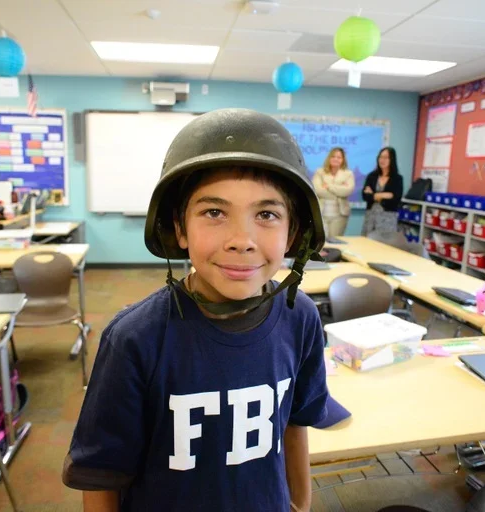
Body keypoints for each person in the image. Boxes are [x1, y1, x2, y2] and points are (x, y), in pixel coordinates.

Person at [63, 108, 329, 512]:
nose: (242, 240)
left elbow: (294, 423)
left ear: (292, 233)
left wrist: (300, 504)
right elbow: (102, 475)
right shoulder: (135, 338)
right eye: (215, 213)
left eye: (267, 214)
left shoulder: (301, 317)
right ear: (180, 229)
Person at [312, 147, 355, 237]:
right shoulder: (320, 172)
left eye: (339, 157)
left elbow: (348, 191)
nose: (336, 159)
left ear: (343, 160)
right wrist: (340, 190)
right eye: (333, 156)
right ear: (329, 158)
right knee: (320, 241)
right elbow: (317, 190)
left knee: (335, 242)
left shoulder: (348, 174)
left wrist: (328, 186)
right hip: (321, 213)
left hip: (340, 215)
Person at [362, 147, 403, 236]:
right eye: (380, 157)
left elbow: (396, 199)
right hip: (371, 216)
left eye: (386, 157)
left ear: (392, 159)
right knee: (366, 244)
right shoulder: (372, 176)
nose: (382, 160)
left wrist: (373, 195)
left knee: (384, 245)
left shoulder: (397, 179)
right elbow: (365, 196)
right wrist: (384, 195)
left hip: (388, 217)